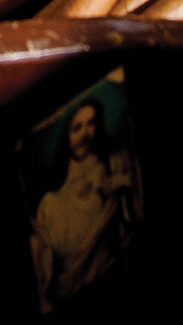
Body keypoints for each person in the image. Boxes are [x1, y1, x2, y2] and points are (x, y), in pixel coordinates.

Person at [30, 100, 141, 309]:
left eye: (91, 123)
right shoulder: (60, 174)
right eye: (77, 128)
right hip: (61, 249)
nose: (85, 134)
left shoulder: (100, 162)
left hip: (90, 244)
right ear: (66, 134)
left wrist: (118, 181)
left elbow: (106, 187)